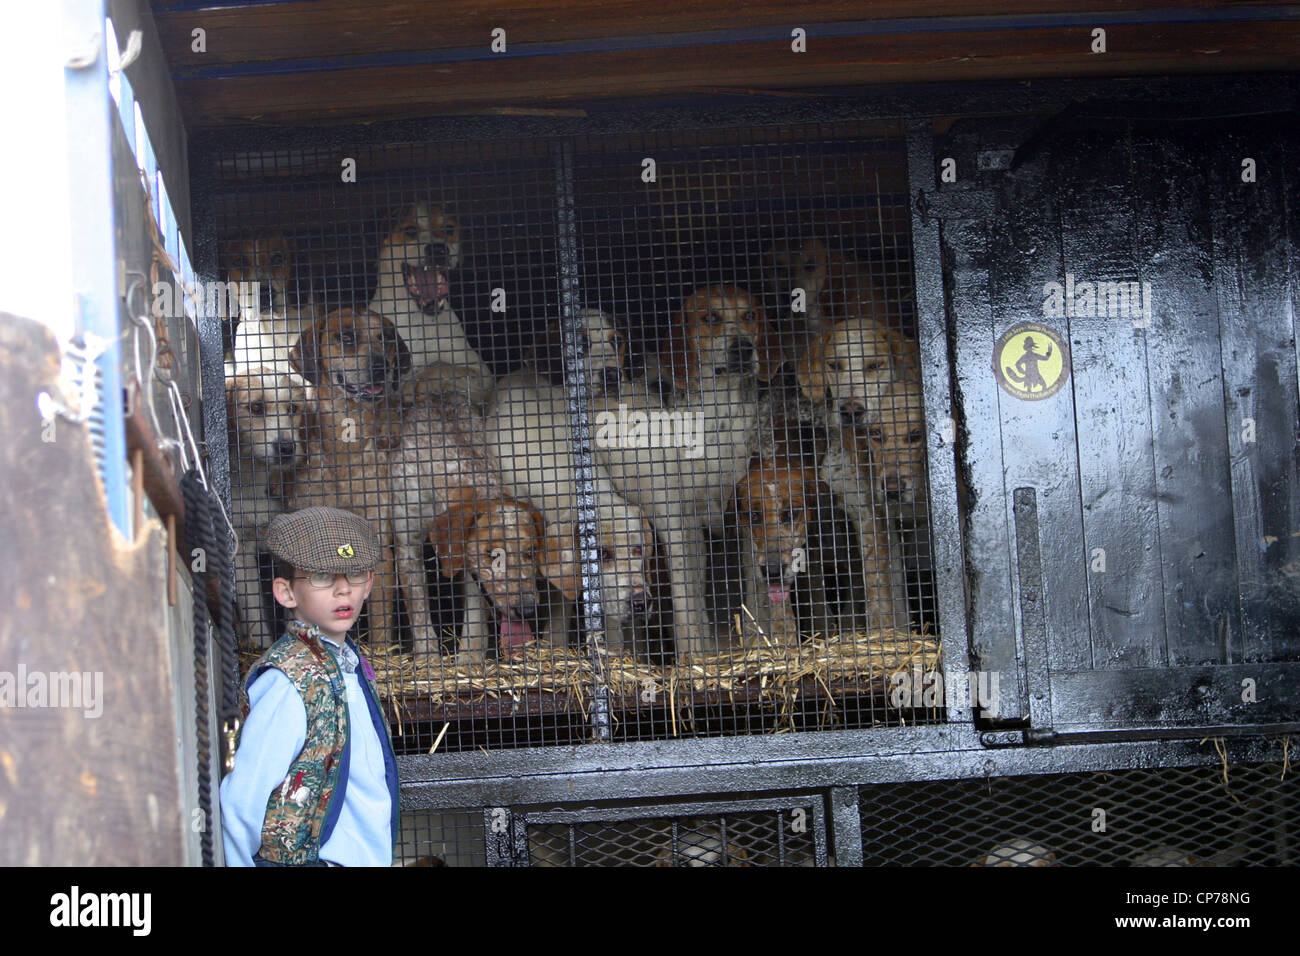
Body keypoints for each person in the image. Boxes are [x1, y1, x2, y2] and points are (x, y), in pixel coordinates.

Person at [220, 506, 399, 866]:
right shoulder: (289, 680)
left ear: (370, 585)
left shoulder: (346, 665)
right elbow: (241, 801)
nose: (343, 588)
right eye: (321, 576)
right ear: (286, 593)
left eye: (354, 573)